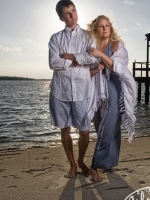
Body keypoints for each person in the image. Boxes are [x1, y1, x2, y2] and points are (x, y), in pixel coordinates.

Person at [48, 0, 97, 178]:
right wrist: (79, 59)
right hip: (60, 91)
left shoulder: (88, 36)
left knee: (84, 130)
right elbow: (53, 63)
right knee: (65, 129)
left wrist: (69, 57)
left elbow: (94, 59)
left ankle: (82, 160)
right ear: (61, 18)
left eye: (74, 11)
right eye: (67, 13)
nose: (72, 15)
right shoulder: (55, 38)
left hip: (83, 89)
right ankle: (72, 165)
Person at [86, 15, 137, 182]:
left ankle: (95, 165)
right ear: (96, 29)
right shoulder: (90, 47)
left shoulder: (117, 46)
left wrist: (100, 54)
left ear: (110, 27)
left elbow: (118, 68)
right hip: (95, 91)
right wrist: (95, 66)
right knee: (101, 124)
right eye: (100, 26)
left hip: (114, 90)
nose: (104, 28)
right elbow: (83, 70)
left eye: (107, 25)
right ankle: (109, 162)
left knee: (109, 125)